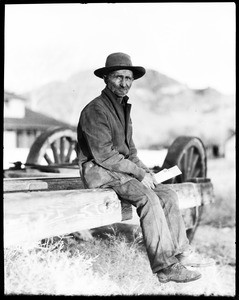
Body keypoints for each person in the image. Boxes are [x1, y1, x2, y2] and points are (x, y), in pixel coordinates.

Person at [77, 52, 213, 283]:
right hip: (99, 171)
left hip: (118, 170)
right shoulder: (96, 110)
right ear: (106, 79)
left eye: (128, 78)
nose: (124, 83)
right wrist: (138, 174)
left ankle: (181, 252)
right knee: (148, 198)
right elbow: (105, 155)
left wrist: (146, 172)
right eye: (118, 77)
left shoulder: (123, 108)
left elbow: (130, 152)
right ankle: (165, 267)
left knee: (168, 193)